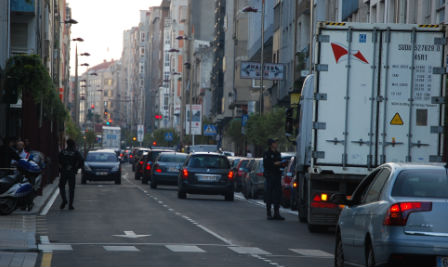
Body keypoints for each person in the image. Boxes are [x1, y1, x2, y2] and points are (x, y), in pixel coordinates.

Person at [263, 138, 286, 220]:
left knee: (277, 195)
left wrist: (282, 164)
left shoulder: (278, 153)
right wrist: (274, 163)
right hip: (270, 176)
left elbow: (280, 163)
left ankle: (277, 213)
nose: (276, 144)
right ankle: (269, 213)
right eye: (275, 143)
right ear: (271, 144)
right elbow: (266, 164)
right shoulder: (267, 153)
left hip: (277, 176)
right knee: (269, 195)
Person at [58, 139, 83, 210]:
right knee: (71, 189)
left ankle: (64, 199)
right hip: (72, 171)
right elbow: (81, 160)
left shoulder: (63, 152)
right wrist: (77, 168)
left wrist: (61, 168)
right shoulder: (75, 152)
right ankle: (70, 205)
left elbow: (58, 160)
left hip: (64, 171)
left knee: (61, 186)